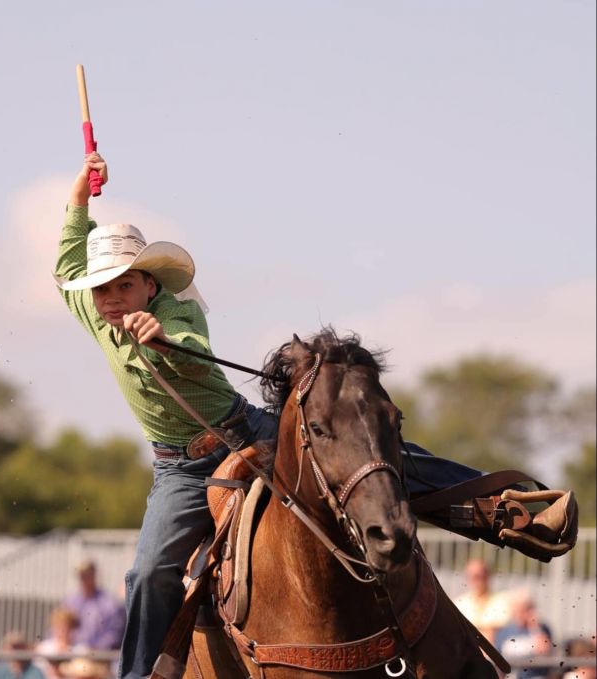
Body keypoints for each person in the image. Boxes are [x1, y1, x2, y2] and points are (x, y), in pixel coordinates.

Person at [54, 152, 578, 679]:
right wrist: (79, 195)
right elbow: (66, 264)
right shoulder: (97, 315)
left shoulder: (176, 312)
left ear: (150, 285)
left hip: (244, 430)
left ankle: (508, 510)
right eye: (104, 289)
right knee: (148, 573)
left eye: (126, 285)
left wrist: (163, 341)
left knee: (370, 460)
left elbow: (190, 348)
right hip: (180, 472)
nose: (115, 297)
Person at [63, 560, 126, 651]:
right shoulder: (70, 601)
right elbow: (60, 627)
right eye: (81, 576)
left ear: (93, 575)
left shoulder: (109, 603)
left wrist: (92, 649)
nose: (83, 579)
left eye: (86, 575)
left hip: (99, 656)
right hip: (71, 652)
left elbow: (114, 634)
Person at [494, 590, 553, 679]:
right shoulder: (505, 631)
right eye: (518, 609)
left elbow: (544, 650)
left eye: (526, 609)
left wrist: (534, 627)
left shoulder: (542, 629)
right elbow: (497, 662)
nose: (521, 613)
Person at [454, 559, 512, 643]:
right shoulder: (460, 602)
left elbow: (497, 628)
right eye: (472, 576)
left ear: (487, 576)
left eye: (479, 576)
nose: (476, 581)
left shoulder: (502, 600)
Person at [35, 607, 85, 679]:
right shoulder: (44, 647)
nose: (62, 630)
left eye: (66, 627)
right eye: (58, 626)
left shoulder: (81, 650)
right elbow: (38, 671)